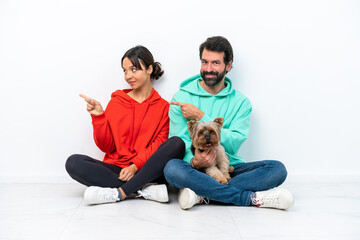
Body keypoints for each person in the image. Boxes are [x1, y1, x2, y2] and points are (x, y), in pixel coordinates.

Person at [163, 36, 294, 210]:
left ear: (229, 65)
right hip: (193, 167)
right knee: (172, 168)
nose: (208, 69)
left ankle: (202, 194)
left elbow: (233, 143)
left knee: (277, 169)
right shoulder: (182, 98)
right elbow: (177, 142)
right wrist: (195, 161)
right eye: (204, 62)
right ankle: (250, 198)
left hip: (228, 166)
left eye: (216, 63)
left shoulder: (241, 103)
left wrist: (201, 116)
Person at [66, 46, 185, 205]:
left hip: (146, 169)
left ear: (149, 69)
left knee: (177, 143)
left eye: (134, 69)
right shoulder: (117, 102)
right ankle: (144, 190)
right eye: (125, 71)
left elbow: (158, 145)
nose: (128, 76)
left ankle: (121, 192)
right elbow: (106, 147)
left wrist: (135, 166)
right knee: (73, 162)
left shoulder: (164, 107)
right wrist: (98, 117)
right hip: (117, 170)